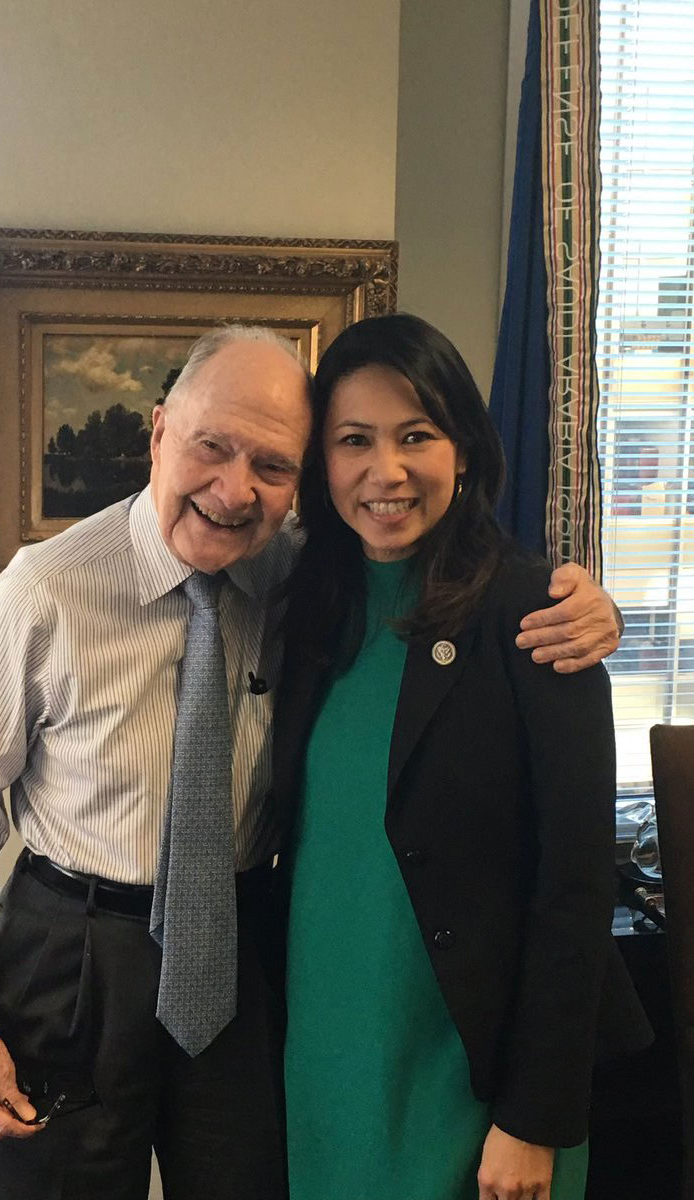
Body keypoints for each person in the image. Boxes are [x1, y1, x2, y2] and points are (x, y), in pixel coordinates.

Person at [0, 324, 622, 1200]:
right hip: (75, 962)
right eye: (211, 447)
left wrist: (588, 604)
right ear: (159, 431)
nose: (234, 491)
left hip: (238, 958)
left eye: (273, 466)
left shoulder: (303, 580)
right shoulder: (45, 593)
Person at [272, 313, 652, 1200]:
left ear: (466, 451)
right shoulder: (305, 610)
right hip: (324, 1059)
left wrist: (534, 1118)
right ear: (322, 464)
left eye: (417, 436)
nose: (385, 471)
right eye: (353, 441)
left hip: (472, 1076)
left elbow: (577, 884)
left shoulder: (537, 614)